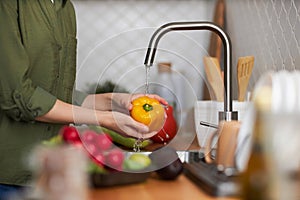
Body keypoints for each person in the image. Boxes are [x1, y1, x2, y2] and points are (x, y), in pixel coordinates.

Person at [0, 0, 167, 197]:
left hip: (53, 172)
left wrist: (113, 102)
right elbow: (17, 95)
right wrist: (105, 119)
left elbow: (57, 96)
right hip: (8, 176)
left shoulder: (66, 8)